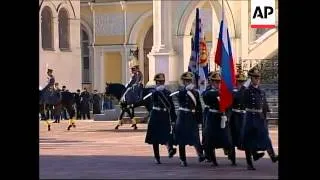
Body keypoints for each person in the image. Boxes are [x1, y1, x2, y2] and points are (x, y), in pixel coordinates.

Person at [241, 68, 278, 170]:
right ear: (251, 79)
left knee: (265, 137)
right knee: (248, 140)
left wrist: (266, 117)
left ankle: (273, 156)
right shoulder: (247, 91)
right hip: (250, 117)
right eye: (255, 77)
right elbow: (240, 96)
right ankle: (249, 163)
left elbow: (264, 105)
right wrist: (246, 83)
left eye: (258, 77)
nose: (257, 79)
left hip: (260, 117)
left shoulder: (261, 91)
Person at [202, 71, 234, 166]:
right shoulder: (208, 92)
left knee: (227, 139)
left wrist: (227, 116)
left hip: (222, 117)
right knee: (210, 140)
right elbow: (207, 97)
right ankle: (213, 160)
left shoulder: (224, 92)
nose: (218, 83)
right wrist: (220, 92)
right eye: (215, 82)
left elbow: (229, 105)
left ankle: (229, 153)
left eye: (219, 82)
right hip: (212, 117)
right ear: (211, 82)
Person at [173, 72, 205, 167]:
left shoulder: (196, 92)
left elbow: (199, 107)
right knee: (181, 139)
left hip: (192, 116)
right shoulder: (181, 91)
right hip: (182, 116)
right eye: (186, 81)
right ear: (183, 82)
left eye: (189, 81)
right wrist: (185, 91)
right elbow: (179, 99)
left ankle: (200, 154)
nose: (187, 82)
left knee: (195, 136)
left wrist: (199, 120)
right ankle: (183, 159)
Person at [144, 73, 177, 164]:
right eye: (158, 82)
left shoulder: (166, 93)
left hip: (162, 115)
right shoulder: (154, 92)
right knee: (155, 137)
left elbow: (172, 107)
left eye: (160, 82)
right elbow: (152, 102)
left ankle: (169, 149)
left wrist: (173, 119)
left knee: (166, 134)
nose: (159, 83)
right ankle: (157, 156)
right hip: (157, 114)